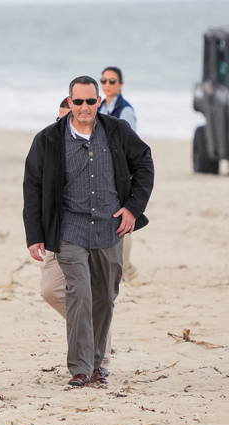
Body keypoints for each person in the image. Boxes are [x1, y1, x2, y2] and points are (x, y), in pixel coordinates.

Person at [23, 76, 154, 387]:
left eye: (90, 101)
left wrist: (133, 208)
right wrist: (34, 234)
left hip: (110, 227)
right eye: (77, 102)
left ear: (99, 101)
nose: (84, 107)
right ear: (69, 103)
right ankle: (80, 368)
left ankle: (98, 365)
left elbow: (145, 162)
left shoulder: (117, 131)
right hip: (70, 228)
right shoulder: (48, 139)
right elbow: (33, 188)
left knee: (105, 297)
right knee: (79, 294)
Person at [39, 97, 112, 374]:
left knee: (96, 295)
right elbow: (35, 186)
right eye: (59, 118)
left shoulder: (101, 141)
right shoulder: (51, 143)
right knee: (50, 290)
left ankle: (97, 355)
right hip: (57, 230)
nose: (62, 123)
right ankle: (90, 335)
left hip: (96, 229)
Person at [99, 66, 137, 280]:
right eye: (103, 80)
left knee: (123, 217)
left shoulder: (126, 111)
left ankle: (125, 267)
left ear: (120, 84)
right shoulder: (99, 107)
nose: (107, 85)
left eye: (112, 81)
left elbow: (128, 143)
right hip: (102, 172)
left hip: (120, 173)